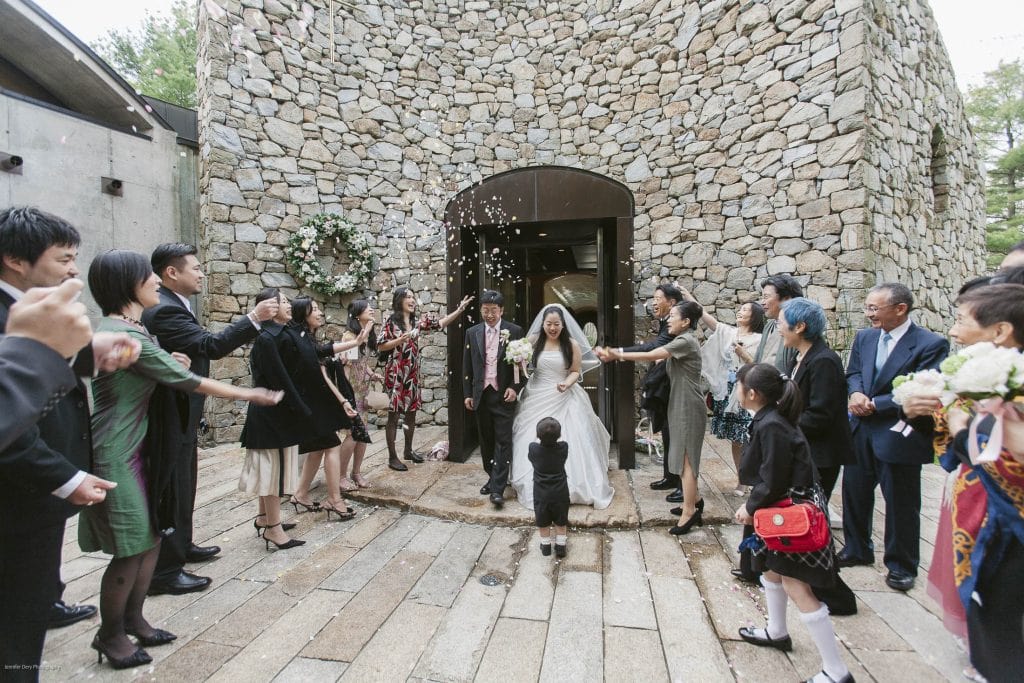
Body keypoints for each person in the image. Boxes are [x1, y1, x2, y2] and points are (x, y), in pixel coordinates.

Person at [79, 251, 281, 669]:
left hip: (143, 447)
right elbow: (188, 381)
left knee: (152, 535)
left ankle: (135, 619)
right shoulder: (124, 334)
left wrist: (170, 361)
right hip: (118, 452)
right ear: (128, 284)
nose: (156, 281)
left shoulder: (135, 329)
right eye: (147, 276)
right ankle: (110, 634)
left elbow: (161, 371)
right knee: (130, 548)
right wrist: (249, 394)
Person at [0, 207, 136, 675]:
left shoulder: (32, 312)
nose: (74, 270)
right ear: (16, 260)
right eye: (63, 258)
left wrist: (87, 359)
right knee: (15, 629)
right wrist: (65, 476)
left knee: (29, 610)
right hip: (16, 497)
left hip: (33, 498)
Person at [142, 243, 279, 597]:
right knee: (173, 486)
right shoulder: (164, 309)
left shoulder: (176, 304)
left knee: (185, 482)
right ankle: (165, 571)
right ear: (172, 272)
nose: (202, 274)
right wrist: (253, 318)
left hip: (185, 410)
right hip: (171, 411)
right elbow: (212, 346)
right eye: (196, 268)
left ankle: (182, 546)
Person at [733, 363, 853, 683]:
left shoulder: (772, 425)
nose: (736, 391)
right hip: (785, 509)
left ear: (752, 393)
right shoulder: (772, 418)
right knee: (772, 571)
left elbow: (773, 479)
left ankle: (837, 671)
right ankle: (777, 631)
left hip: (792, 515)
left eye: (739, 386)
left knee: (797, 586)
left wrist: (750, 507)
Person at [840, 283, 949, 592]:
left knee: (901, 502)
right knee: (854, 492)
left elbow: (925, 389)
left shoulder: (930, 344)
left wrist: (878, 404)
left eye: (874, 308)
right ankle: (857, 547)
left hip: (901, 430)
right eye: (867, 307)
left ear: (900, 309)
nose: (868, 314)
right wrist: (856, 393)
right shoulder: (865, 337)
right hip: (861, 428)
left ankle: (902, 565)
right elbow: (854, 372)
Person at [606, 302, 705, 534]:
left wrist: (617, 354)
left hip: (688, 406)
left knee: (687, 461)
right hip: (680, 403)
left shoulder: (685, 341)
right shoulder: (681, 341)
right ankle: (695, 501)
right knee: (681, 457)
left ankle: (689, 512)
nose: (668, 320)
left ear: (686, 322)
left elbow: (651, 354)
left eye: (673, 316)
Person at [510, 304, 613, 510]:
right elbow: (519, 362)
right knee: (527, 434)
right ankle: (531, 481)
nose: (552, 328)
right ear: (543, 324)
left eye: (556, 324)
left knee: (574, 435)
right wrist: (517, 361)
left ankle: (574, 485)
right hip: (537, 394)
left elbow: (575, 370)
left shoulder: (571, 344)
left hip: (564, 394)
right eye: (549, 324)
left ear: (563, 324)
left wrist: (567, 383)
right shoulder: (533, 341)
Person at [597, 284, 682, 500]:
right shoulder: (666, 323)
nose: (653, 302)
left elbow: (651, 349)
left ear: (672, 303)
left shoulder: (677, 328)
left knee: (676, 435)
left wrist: (617, 352)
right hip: (665, 384)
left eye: (658, 298)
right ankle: (670, 477)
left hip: (676, 387)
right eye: (653, 298)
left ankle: (683, 484)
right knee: (667, 431)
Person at [287, 297, 366, 521]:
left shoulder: (307, 338)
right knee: (331, 445)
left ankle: (300, 495)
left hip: (314, 402)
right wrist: (343, 401)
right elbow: (322, 359)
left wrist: (354, 344)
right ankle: (334, 499)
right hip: (310, 403)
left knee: (317, 449)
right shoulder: (297, 338)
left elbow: (323, 353)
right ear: (303, 315)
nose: (320, 313)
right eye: (314, 309)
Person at [680, 287, 764, 495]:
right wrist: (688, 296)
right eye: (741, 309)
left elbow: (762, 368)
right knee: (736, 439)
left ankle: (758, 478)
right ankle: (742, 479)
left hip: (750, 391)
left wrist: (744, 355)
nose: (741, 312)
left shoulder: (760, 339)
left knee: (750, 436)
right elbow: (704, 316)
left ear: (754, 316)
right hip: (729, 391)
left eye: (746, 310)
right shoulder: (729, 333)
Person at [378, 286, 472, 471]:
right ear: (399, 300)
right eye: (408, 297)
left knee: (411, 413)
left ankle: (408, 451)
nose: (412, 300)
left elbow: (440, 323)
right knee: (393, 416)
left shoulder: (416, 321)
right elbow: (381, 345)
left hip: (412, 375)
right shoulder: (390, 322)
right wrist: (400, 340)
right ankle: (392, 457)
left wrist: (459, 310)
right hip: (395, 375)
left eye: (413, 297)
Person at [778, 298, 854, 500]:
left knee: (809, 511)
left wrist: (779, 426)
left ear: (800, 327)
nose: (779, 329)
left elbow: (820, 415)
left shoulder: (824, 361)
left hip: (818, 455)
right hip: (801, 448)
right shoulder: (798, 357)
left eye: (781, 323)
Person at [463, 290, 526, 507]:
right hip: (481, 394)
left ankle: (497, 489)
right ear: (481, 310)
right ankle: (492, 476)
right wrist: (468, 393)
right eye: (485, 310)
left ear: (502, 310)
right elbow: (467, 365)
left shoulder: (514, 331)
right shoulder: (472, 332)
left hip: (503, 395)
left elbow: (522, 364)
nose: (489, 315)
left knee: (503, 440)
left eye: (494, 310)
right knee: (486, 440)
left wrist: (515, 388)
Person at [337, 299, 382, 490]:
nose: (371, 310)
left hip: (362, 390)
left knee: (362, 433)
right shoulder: (349, 337)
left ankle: (356, 473)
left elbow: (361, 362)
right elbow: (346, 367)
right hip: (351, 391)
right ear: (357, 315)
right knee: (352, 435)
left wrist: (371, 374)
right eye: (367, 308)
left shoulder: (366, 334)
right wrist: (345, 396)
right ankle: (340, 476)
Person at [530, 417, 570, 558]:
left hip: (541, 494)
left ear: (537, 435)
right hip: (560, 492)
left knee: (543, 520)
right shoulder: (564, 447)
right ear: (559, 435)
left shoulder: (533, 448)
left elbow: (531, 457)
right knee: (561, 519)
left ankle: (546, 546)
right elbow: (561, 444)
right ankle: (561, 546)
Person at [753, 274, 803, 371]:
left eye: (766, 297)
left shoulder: (798, 328)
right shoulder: (769, 326)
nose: (762, 302)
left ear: (786, 299)